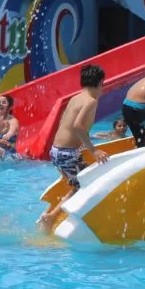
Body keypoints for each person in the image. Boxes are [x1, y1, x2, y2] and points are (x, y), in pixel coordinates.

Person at [37, 65, 110, 232]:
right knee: (87, 183)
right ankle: (52, 217)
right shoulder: (90, 101)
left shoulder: (76, 98)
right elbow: (78, 126)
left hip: (57, 151)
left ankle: (51, 215)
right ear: (99, 83)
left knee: (78, 184)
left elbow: (66, 123)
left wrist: (80, 144)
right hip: (66, 153)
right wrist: (93, 150)